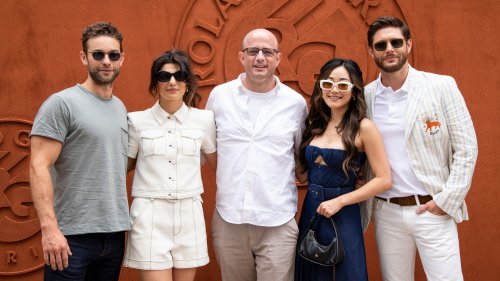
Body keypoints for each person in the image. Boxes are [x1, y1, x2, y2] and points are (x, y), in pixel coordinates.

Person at [365, 16, 478, 281]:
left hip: (432, 208)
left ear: (409, 45)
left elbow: (466, 148)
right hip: (386, 211)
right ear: (371, 51)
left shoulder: (440, 86)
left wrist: (447, 199)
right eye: (381, 45)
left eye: (396, 42)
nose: (389, 49)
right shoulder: (366, 96)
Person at [205, 28, 308, 281]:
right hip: (229, 218)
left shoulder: (295, 104)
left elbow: (300, 155)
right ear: (242, 57)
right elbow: (209, 148)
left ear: (278, 58)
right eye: (253, 51)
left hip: (277, 220)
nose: (260, 57)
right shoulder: (220, 96)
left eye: (267, 52)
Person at [29, 22, 129, 281]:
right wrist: (50, 230)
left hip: (114, 234)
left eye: (113, 55)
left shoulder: (120, 108)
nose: (106, 61)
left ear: (121, 59)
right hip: (71, 238)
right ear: (84, 57)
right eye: (98, 54)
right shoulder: (61, 104)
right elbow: (38, 166)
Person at [122, 50, 216, 281]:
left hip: (189, 212)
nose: (172, 82)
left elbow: (220, 167)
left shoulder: (205, 120)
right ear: (155, 84)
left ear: (187, 82)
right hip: (150, 213)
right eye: (164, 76)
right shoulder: (136, 121)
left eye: (179, 75)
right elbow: (122, 168)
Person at [294, 58, 392, 281]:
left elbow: (384, 179)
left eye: (342, 84)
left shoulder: (364, 127)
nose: (334, 90)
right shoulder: (315, 124)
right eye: (327, 84)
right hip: (312, 210)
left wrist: (341, 201)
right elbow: (303, 174)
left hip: (343, 213)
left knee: (345, 273)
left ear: (355, 90)